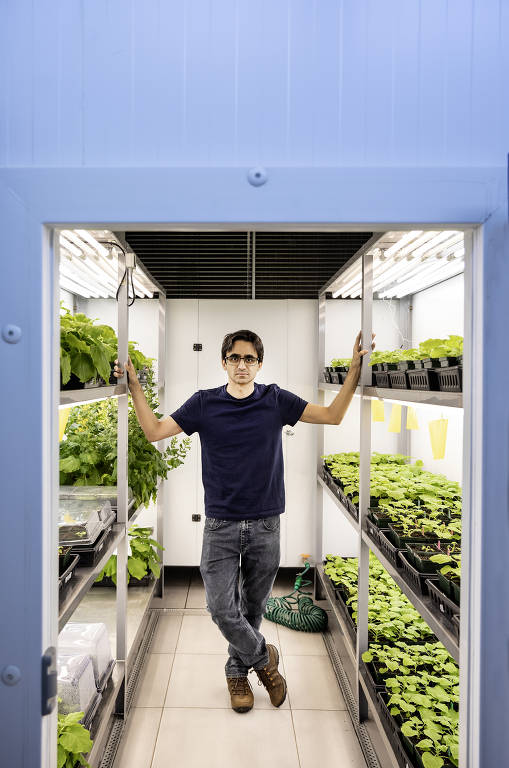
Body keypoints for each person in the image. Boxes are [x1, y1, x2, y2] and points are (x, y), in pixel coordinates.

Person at [114, 328, 374, 713]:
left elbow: (333, 416)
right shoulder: (203, 404)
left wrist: (354, 369)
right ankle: (264, 658)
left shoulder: (275, 400)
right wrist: (135, 385)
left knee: (252, 609)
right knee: (221, 609)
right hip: (220, 524)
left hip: (266, 523)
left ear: (259, 364)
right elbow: (154, 431)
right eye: (234, 358)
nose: (241, 365)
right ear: (223, 362)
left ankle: (237, 674)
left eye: (249, 359)